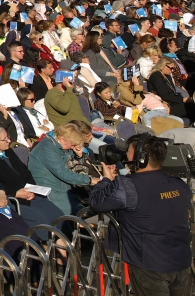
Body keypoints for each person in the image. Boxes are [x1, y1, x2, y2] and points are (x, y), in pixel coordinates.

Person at [89, 135, 193, 295]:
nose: (124, 156)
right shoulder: (178, 184)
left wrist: (106, 181)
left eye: (128, 152)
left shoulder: (128, 186)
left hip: (149, 264)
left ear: (142, 158)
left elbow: (97, 202)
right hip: (181, 260)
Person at [0, 126, 63, 228]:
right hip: (12, 199)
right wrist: (15, 193)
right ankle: (48, 241)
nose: (9, 140)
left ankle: (67, 239)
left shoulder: (8, 151)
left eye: (8, 137)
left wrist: (31, 188)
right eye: (5, 139)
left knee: (55, 212)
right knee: (40, 218)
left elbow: (25, 172)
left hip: (27, 192)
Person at [27, 123, 100, 217]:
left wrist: (78, 156)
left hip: (67, 188)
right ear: (62, 139)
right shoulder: (46, 149)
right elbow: (64, 174)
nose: (72, 147)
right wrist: (90, 180)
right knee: (86, 216)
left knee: (96, 209)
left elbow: (72, 166)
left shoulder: (60, 145)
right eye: (72, 144)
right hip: (53, 192)